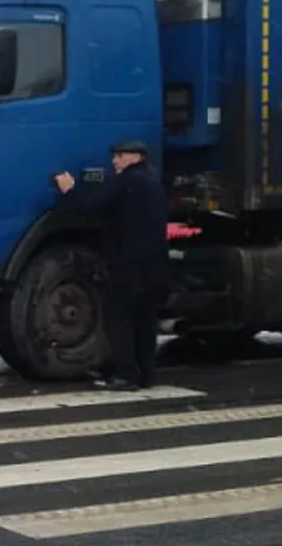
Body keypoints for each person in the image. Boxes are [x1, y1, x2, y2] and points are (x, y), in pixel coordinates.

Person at [54, 138, 170, 391]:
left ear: (134, 157)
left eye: (119, 156)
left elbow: (90, 207)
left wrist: (69, 190)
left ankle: (126, 375)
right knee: (145, 321)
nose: (114, 161)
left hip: (128, 264)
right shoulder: (153, 183)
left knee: (119, 319)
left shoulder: (127, 182)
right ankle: (146, 374)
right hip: (156, 263)